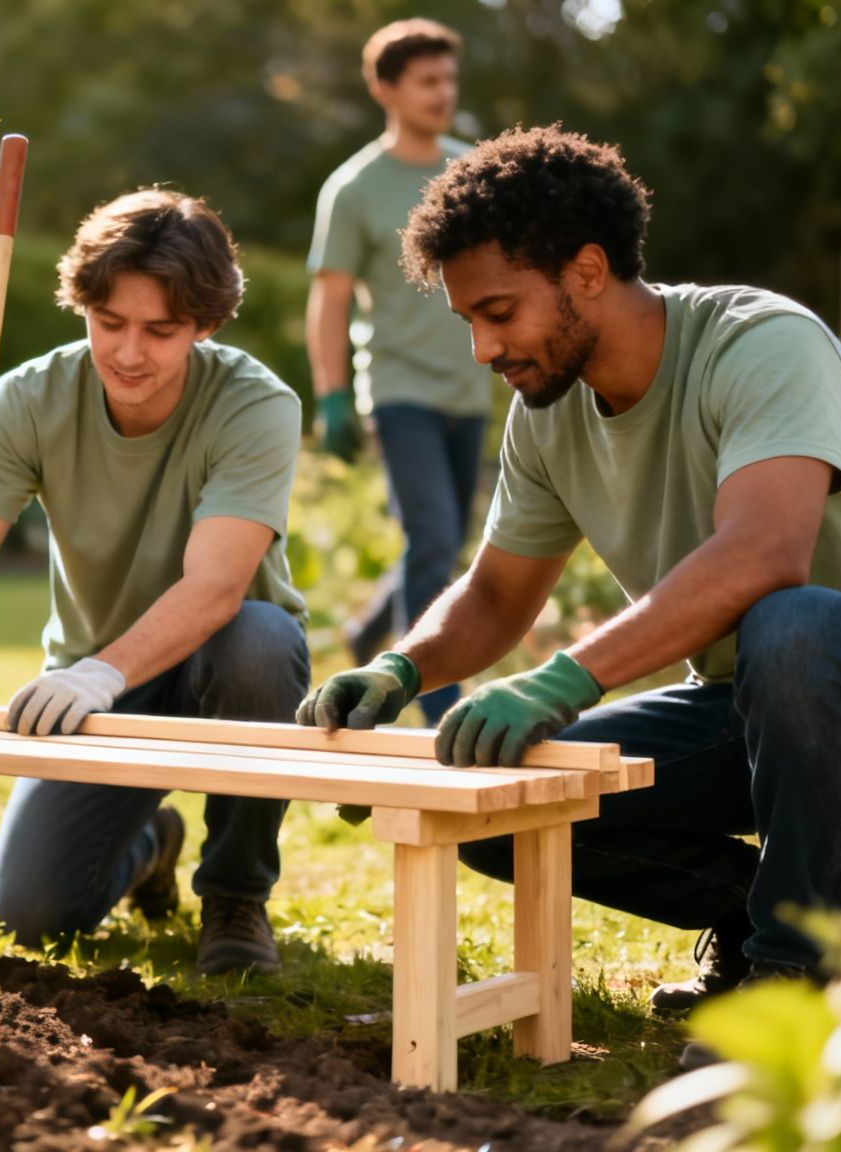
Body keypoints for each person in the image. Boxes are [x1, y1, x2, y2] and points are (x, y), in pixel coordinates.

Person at [299, 126, 841, 1020]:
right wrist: (401, 668)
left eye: (500, 312)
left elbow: (765, 553)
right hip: (747, 709)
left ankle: (789, 982)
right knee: (500, 797)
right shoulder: (546, 409)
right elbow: (499, 592)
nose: (483, 350)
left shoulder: (761, 342)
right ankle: (797, 905)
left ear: (587, 270)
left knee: (795, 621)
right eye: (469, 321)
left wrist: (560, 680)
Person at [0, 189, 310, 975]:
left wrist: (102, 673)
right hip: (94, 683)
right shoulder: (28, 401)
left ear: (205, 324)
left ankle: (236, 896)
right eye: (110, 324)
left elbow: (216, 588)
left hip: (213, 659)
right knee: (31, 916)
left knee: (262, 642)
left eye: (160, 331)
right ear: (83, 308)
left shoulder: (254, 406)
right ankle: (149, 844)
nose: (129, 352)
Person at [305, 18, 493, 722]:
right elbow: (327, 298)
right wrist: (330, 397)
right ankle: (437, 695)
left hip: (469, 382)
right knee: (436, 535)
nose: (443, 93)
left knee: (443, 538)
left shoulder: (470, 169)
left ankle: (369, 630)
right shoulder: (354, 188)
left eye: (449, 78)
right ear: (386, 88)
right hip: (398, 387)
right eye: (427, 81)